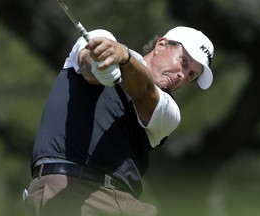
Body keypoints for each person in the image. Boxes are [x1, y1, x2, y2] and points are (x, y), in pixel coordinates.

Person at [23, 26, 214, 216]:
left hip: (125, 203)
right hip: (68, 188)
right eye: (184, 61)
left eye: (192, 75)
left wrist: (125, 61)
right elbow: (87, 62)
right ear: (161, 45)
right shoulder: (104, 38)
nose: (183, 75)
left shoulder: (169, 112)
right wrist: (100, 67)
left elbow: (144, 91)